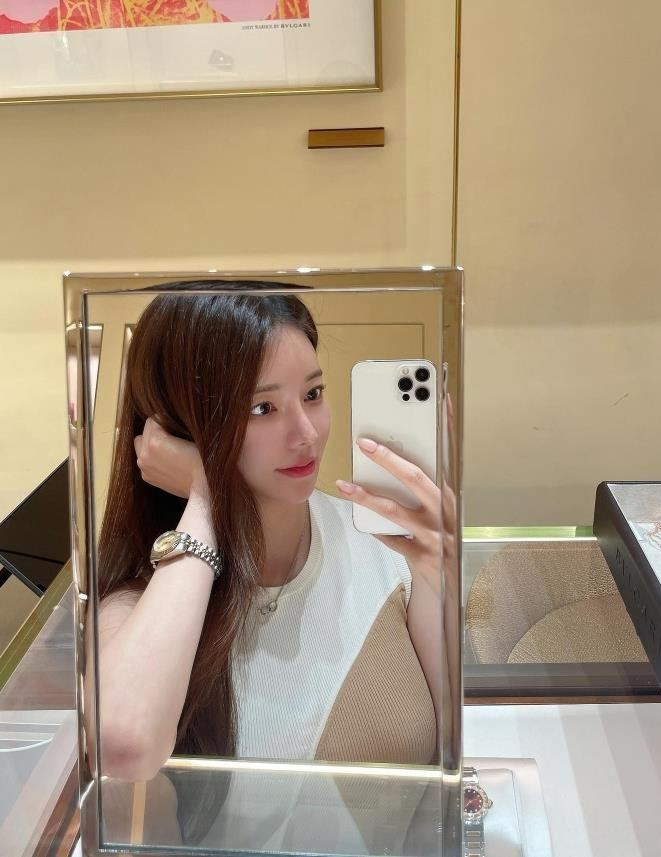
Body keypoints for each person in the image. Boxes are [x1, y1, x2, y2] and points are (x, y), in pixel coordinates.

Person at [86, 280, 445, 783]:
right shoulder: (144, 595)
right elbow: (122, 748)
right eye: (262, 408)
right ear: (180, 428)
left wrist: (441, 567)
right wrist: (206, 498)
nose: (307, 434)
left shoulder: (390, 547)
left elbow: (456, 750)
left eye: (313, 394)